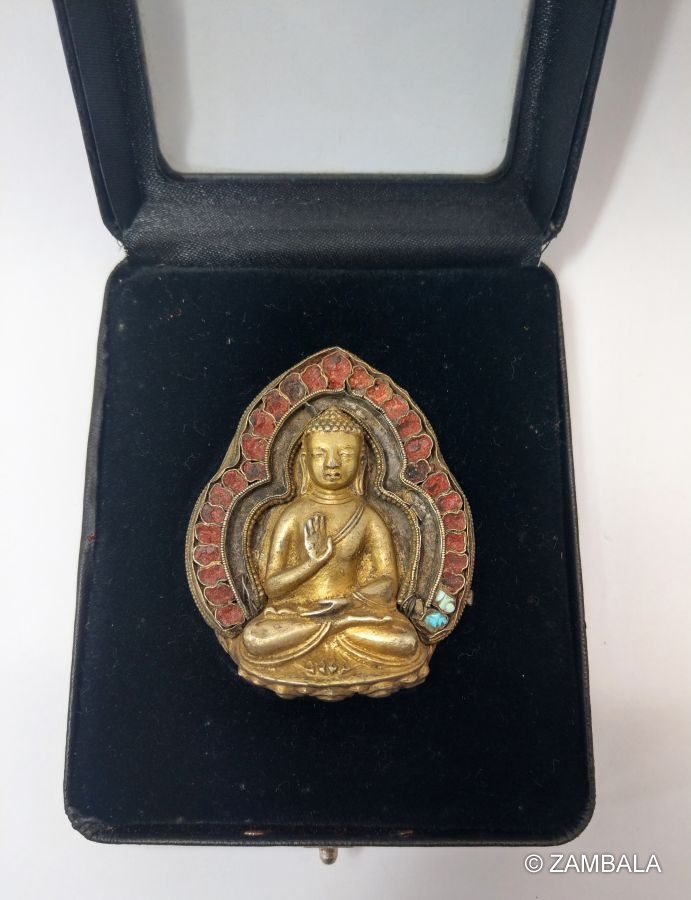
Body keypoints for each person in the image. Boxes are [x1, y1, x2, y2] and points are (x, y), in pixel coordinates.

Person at [230, 406, 429, 698]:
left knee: (405, 640)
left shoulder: (368, 517)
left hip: (353, 616)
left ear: (361, 462)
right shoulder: (292, 515)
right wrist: (313, 563)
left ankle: (337, 627)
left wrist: (348, 604)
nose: (332, 464)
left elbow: (389, 583)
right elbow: (272, 587)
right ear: (304, 460)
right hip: (299, 615)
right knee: (255, 638)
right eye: (320, 455)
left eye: (345, 454)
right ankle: (334, 630)